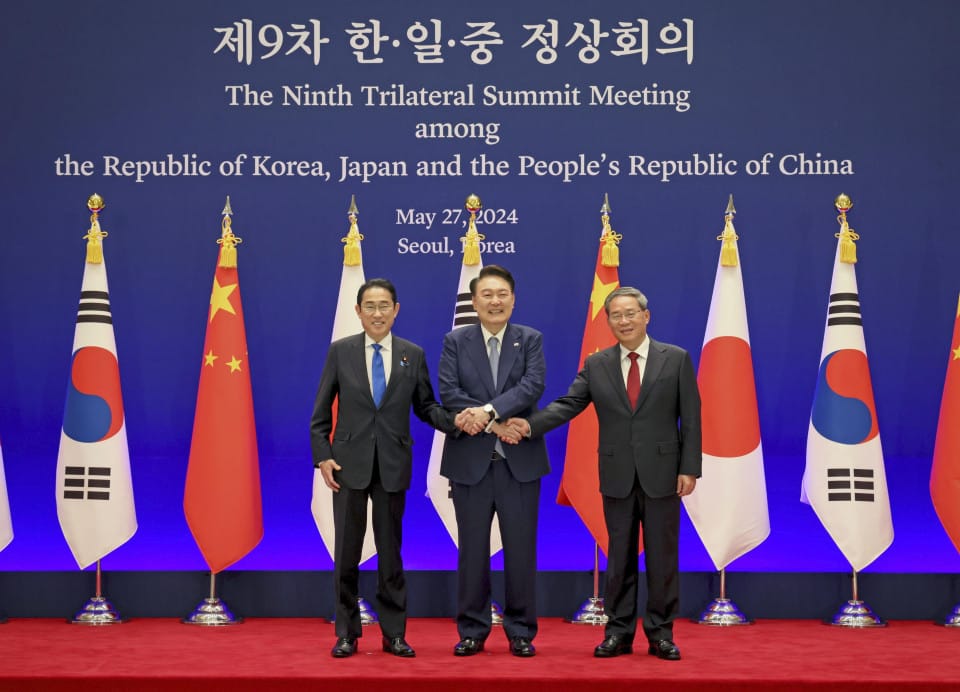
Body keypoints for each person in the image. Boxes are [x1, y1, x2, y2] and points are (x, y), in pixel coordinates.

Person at [505, 287, 701, 661]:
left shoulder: (675, 359)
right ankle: (618, 632)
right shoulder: (598, 364)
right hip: (616, 473)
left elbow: (690, 417)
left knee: (662, 559)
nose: (624, 321)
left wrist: (689, 467)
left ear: (646, 316)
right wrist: (528, 426)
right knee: (620, 559)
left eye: (630, 314)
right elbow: (568, 404)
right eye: (616, 315)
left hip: (663, 473)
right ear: (608, 321)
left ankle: (661, 634)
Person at [310, 278, 458, 659]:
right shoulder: (340, 352)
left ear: (396, 310)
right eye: (370, 306)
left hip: (393, 465)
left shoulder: (413, 354)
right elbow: (320, 414)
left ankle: (394, 634)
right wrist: (322, 456)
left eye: (384, 305)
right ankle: (346, 632)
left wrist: (458, 421)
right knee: (346, 553)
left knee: (391, 553)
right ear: (358, 311)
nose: (378, 313)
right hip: (348, 466)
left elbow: (426, 407)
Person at [438, 265, 550, 658]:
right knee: (471, 551)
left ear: (513, 299)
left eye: (502, 294)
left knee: (521, 550)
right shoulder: (456, 340)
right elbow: (449, 393)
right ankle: (472, 629)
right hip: (470, 464)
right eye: (486, 294)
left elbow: (532, 386)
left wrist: (487, 414)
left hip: (519, 462)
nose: (495, 301)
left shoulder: (530, 339)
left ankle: (521, 631)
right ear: (474, 301)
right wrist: (492, 424)